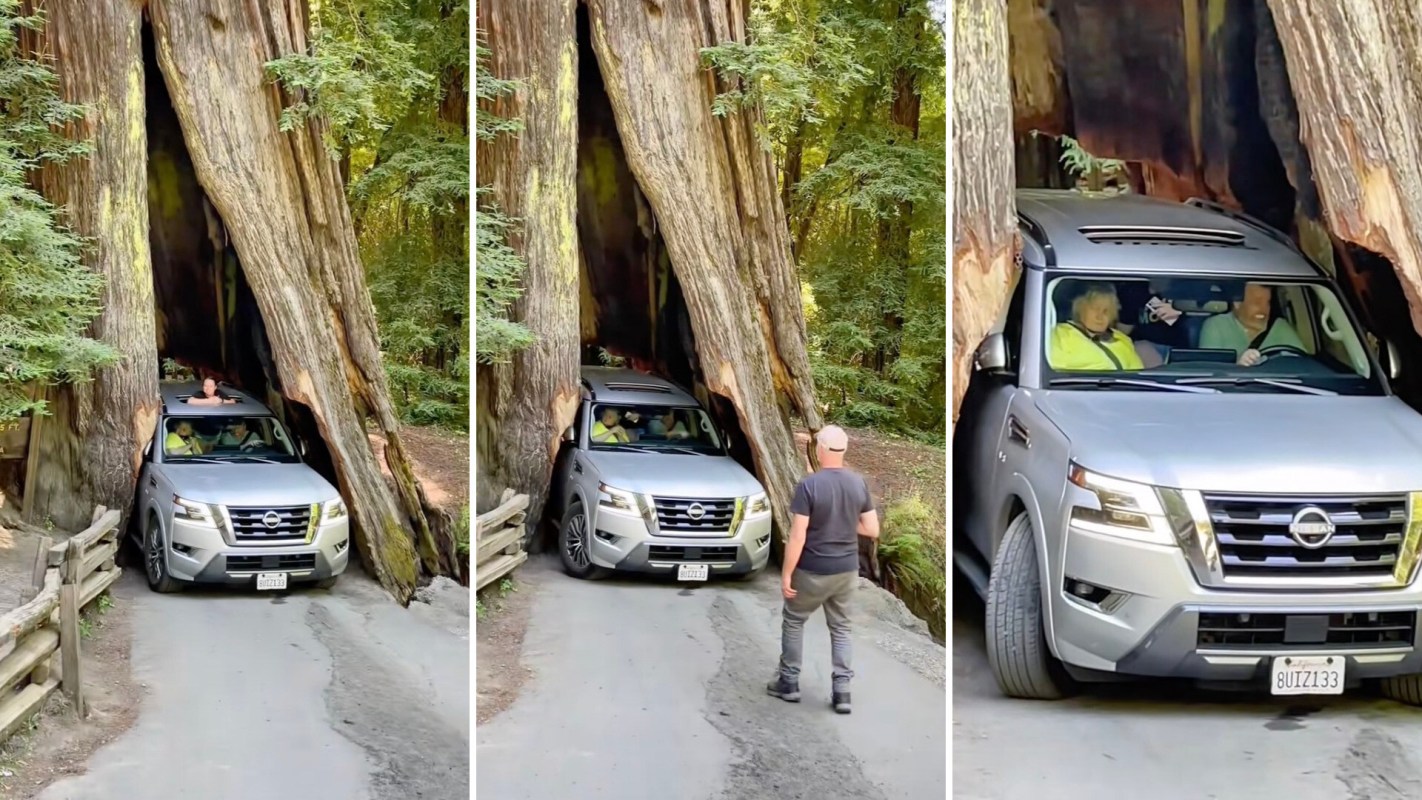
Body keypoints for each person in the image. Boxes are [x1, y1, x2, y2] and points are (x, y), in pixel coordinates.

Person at [767, 425, 878, 715]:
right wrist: (843, 522)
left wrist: (787, 574)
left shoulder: (809, 486)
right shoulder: (858, 484)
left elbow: (798, 535)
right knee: (841, 628)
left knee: (793, 620)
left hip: (814, 568)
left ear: (821, 450)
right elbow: (872, 529)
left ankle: (788, 683)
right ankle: (842, 692)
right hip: (846, 570)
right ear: (844, 451)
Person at [1199, 281, 1306, 367]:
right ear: (1237, 303)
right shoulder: (1216, 326)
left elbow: (1304, 364)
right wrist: (1238, 367)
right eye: (1257, 302)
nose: (1264, 309)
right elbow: (1208, 372)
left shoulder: (1280, 327)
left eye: (1267, 303)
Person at [1047, 283, 1145, 371]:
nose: (1100, 317)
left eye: (1106, 311)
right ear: (1079, 308)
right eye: (1095, 309)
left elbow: (1138, 375)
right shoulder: (1060, 335)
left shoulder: (1122, 339)